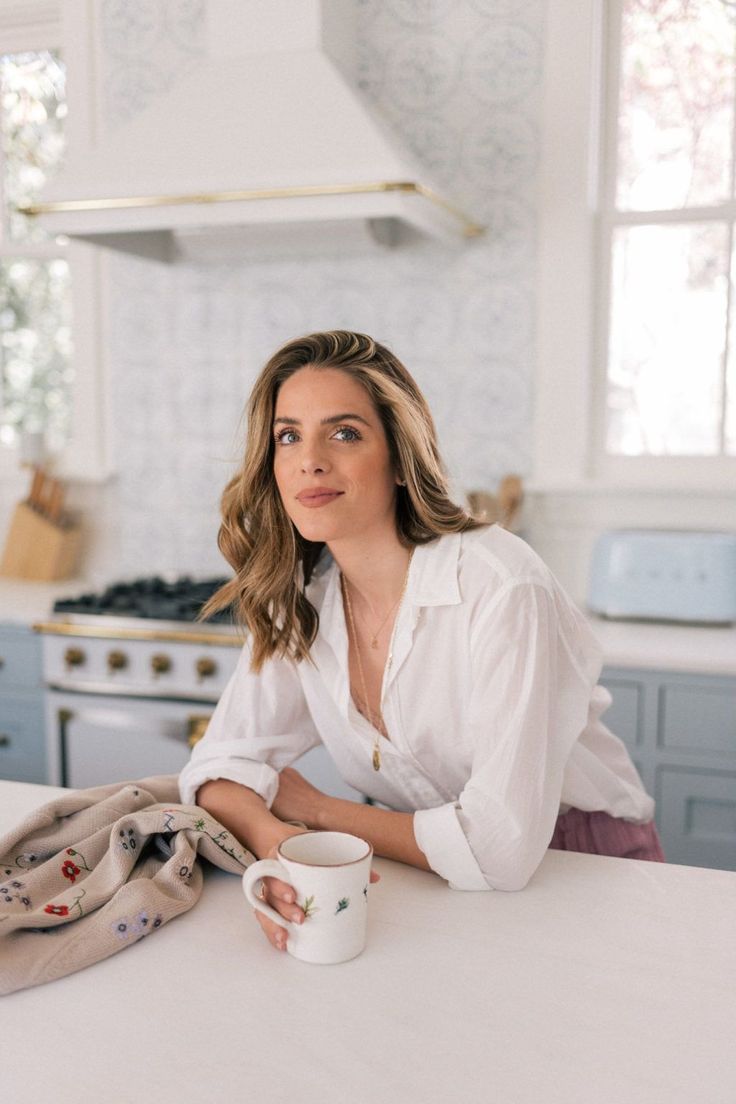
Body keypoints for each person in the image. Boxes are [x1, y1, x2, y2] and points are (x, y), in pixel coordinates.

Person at [179, 330, 664, 952]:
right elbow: (218, 766)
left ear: (401, 457)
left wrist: (322, 814)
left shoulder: (502, 586)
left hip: (582, 871)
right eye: (288, 435)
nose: (310, 460)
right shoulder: (300, 598)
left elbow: (501, 849)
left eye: (345, 433)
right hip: (421, 876)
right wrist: (279, 848)